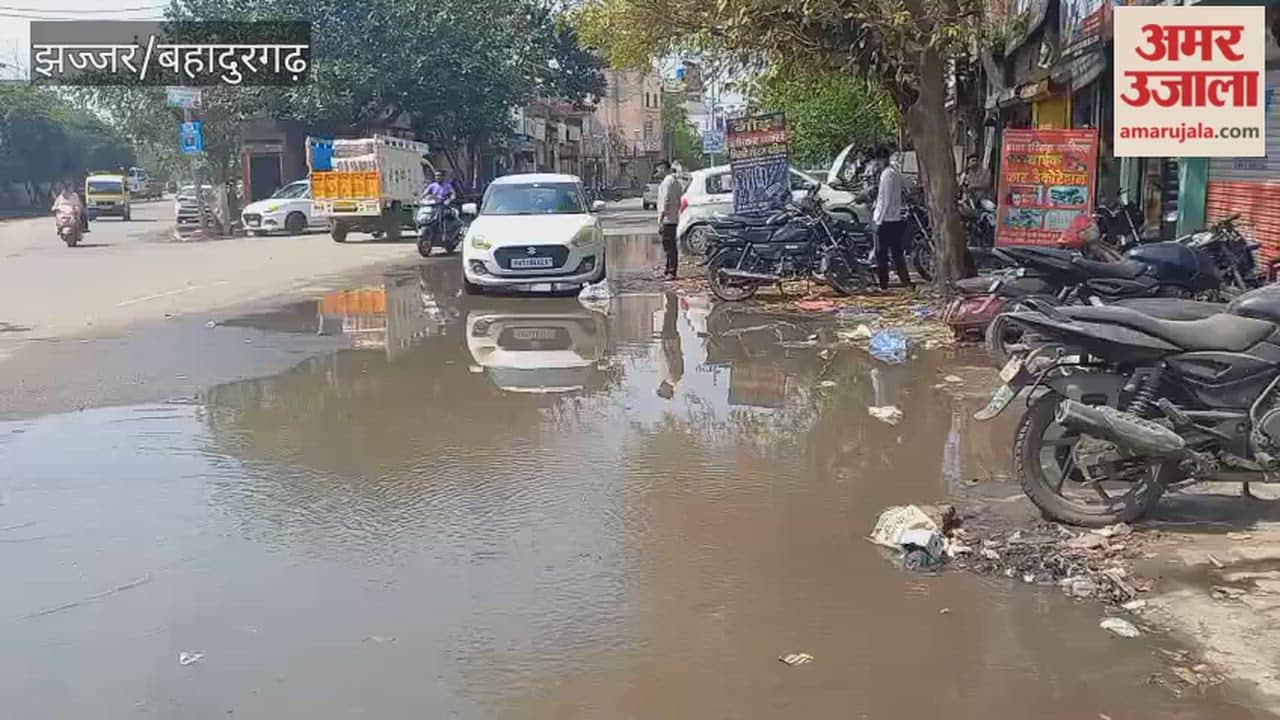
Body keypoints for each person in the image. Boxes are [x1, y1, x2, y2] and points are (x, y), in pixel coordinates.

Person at [871, 145, 912, 291]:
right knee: (896, 253)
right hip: (894, 218)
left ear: (881, 160)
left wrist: (878, 221)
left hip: (886, 220)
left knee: (882, 254)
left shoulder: (886, 175)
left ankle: (884, 285)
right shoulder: (895, 173)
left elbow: (885, 200)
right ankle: (906, 281)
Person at [655, 159, 681, 280]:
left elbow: (665, 200)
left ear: (664, 168)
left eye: (659, 168)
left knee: (669, 246)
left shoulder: (667, 182)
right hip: (673, 217)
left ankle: (671, 271)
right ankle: (668, 269)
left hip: (668, 218)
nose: (657, 171)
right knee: (670, 245)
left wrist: (661, 218)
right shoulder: (675, 181)